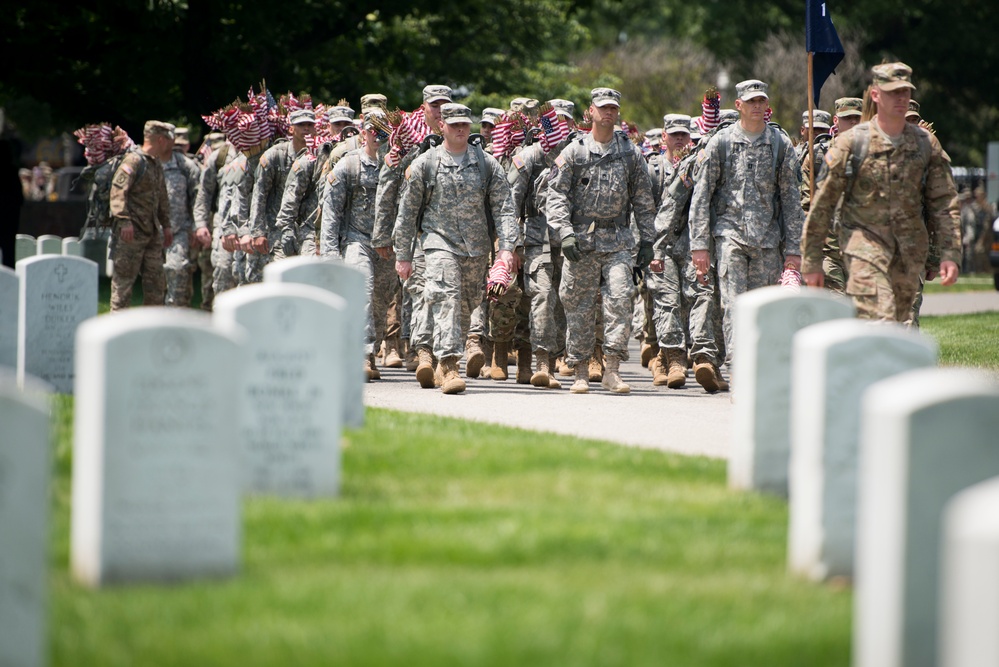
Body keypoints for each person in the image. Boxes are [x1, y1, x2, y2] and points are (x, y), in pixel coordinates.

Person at [802, 62, 961, 321]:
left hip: (908, 255)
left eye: (905, 92)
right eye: (892, 92)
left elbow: (943, 203)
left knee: (901, 328)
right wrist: (811, 259)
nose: (900, 98)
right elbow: (822, 203)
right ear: (875, 95)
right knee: (877, 320)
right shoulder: (852, 143)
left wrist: (949, 254)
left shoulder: (925, 144)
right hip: (865, 253)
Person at [392, 103, 519, 394]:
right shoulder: (427, 163)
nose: (461, 129)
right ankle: (450, 367)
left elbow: (504, 208)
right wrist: (404, 255)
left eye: (465, 124)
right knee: (446, 296)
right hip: (439, 243)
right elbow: (408, 213)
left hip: (476, 248)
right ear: (441, 127)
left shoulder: (487, 164)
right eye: (454, 125)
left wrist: (506, 248)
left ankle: (441, 358)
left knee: (468, 304)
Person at [546, 87, 657, 394]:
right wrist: (565, 233)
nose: (608, 112)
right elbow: (555, 195)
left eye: (613, 108)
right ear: (590, 112)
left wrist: (647, 241)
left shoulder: (629, 152)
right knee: (578, 307)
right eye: (602, 107)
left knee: (621, 300)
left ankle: (612, 369)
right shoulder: (575, 151)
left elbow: (643, 200)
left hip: (619, 240)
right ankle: (580, 369)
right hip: (581, 243)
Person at [689, 79, 803, 367]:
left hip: (768, 242)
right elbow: (701, 196)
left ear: (767, 106)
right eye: (750, 101)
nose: (756, 106)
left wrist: (794, 250)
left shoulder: (780, 144)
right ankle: (739, 368)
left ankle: (759, 371)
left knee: (764, 311)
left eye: (761, 101)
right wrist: (699, 245)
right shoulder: (721, 143)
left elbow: (791, 201)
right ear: (738, 105)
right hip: (730, 238)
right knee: (732, 306)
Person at [320, 109, 397, 380]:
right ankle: (362, 354)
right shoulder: (348, 165)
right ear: (363, 133)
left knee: (380, 300)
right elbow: (331, 212)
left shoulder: (396, 165)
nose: (378, 137)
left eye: (383, 131)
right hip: (357, 240)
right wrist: (330, 255)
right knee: (362, 293)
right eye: (372, 131)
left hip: (387, 245)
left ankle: (372, 352)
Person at [108, 121, 173, 310]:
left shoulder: (155, 164)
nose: (171, 144)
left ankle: (152, 331)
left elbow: (162, 197)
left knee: (156, 286)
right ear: (161, 140)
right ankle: (117, 333)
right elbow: (118, 190)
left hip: (152, 234)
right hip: (131, 234)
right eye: (169, 140)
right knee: (123, 286)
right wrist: (124, 220)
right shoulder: (134, 161)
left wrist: (166, 225)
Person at [246, 108, 315, 279]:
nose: (306, 128)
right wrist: (258, 232)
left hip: (307, 230)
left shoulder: (318, 155)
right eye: (301, 125)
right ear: (291, 129)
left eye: (309, 125)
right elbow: (259, 194)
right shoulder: (274, 156)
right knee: (282, 276)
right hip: (276, 228)